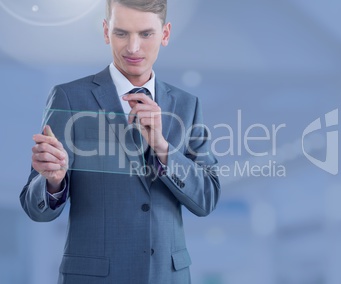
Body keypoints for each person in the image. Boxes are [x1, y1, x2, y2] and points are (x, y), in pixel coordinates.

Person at [19, 0, 220, 283]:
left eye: (146, 34)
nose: (133, 48)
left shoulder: (187, 105)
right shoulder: (70, 98)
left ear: (165, 34)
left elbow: (207, 198)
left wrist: (163, 149)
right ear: (105, 31)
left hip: (166, 276)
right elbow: (33, 207)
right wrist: (53, 182)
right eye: (121, 33)